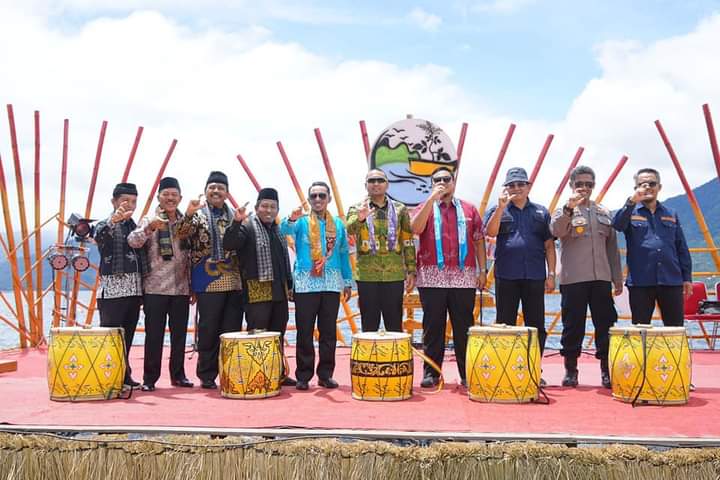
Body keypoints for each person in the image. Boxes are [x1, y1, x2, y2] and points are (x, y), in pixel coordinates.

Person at [410, 167, 486, 388]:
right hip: (432, 276)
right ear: (432, 184)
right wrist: (432, 199)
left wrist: (482, 271)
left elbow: (479, 240)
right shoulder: (423, 207)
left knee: (464, 326)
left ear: (454, 182)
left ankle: (467, 373)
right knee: (433, 326)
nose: (443, 183)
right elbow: (416, 228)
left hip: (463, 276)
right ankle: (431, 373)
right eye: (437, 180)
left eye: (446, 179)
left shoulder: (469, 209)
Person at [550, 166, 623, 388]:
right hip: (574, 278)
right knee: (573, 325)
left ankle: (606, 370)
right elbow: (556, 231)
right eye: (580, 183)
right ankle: (571, 370)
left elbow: (612, 248)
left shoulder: (603, 213)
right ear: (572, 185)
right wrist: (569, 209)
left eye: (589, 184)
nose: (584, 188)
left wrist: (617, 278)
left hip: (601, 277)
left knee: (606, 324)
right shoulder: (563, 210)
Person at [484, 167, 555, 382]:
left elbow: (549, 245)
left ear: (528, 186)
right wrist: (500, 208)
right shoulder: (498, 209)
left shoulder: (541, 212)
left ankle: (534, 368)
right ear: (506, 188)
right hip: (506, 275)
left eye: (520, 184)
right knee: (504, 323)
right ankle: (506, 368)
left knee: (536, 325)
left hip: (534, 275)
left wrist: (551, 273)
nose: (516, 188)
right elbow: (490, 232)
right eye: (512, 185)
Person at [280, 181, 352, 391]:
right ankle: (303, 375)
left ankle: (325, 374)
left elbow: (343, 253)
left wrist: (347, 281)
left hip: (331, 283)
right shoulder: (301, 222)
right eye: (314, 196)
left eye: (322, 195)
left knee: (328, 332)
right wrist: (292, 217)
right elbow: (284, 228)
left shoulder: (338, 224)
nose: (318, 199)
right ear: (309, 200)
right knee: (304, 331)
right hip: (305, 284)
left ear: (329, 198)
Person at [176, 171, 244, 389]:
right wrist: (187, 214)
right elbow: (180, 235)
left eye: (221, 188)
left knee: (231, 330)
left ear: (227, 193)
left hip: (234, 280)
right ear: (206, 191)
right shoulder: (197, 215)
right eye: (212, 187)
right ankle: (206, 374)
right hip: (207, 280)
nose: (216, 191)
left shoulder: (236, 215)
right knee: (208, 329)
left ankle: (229, 371)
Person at [223, 187, 296, 386]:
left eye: (273, 207)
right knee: (258, 334)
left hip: (279, 290)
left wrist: (289, 285)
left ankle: (277, 372)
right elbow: (229, 243)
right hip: (256, 290)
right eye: (264, 206)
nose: (268, 210)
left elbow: (283, 261)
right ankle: (258, 374)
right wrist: (236, 222)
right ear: (257, 207)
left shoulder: (278, 230)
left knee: (277, 333)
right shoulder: (247, 226)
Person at [127, 177, 193, 391]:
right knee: (154, 335)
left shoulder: (187, 222)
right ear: (159, 197)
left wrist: (193, 286)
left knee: (180, 335)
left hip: (181, 287)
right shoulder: (149, 218)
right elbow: (133, 241)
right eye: (166, 194)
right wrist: (149, 228)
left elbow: (192, 254)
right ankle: (150, 378)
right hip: (155, 287)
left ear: (180, 198)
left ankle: (178, 375)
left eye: (175, 195)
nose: (171, 198)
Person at [612, 167, 692, 326]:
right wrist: (630, 202)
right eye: (642, 184)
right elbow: (617, 225)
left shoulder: (671, 213)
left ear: (659, 187)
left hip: (671, 280)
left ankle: (674, 353)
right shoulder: (630, 212)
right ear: (636, 188)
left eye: (652, 183)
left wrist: (687, 277)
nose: (647, 187)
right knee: (641, 329)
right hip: (641, 281)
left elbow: (681, 246)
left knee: (675, 329)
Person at [346, 169, 416, 332]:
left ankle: (397, 358)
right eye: (371, 181)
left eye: (380, 180)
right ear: (366, 185)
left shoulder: (400, 209)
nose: (376, 184)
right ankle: (367, 358)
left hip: (394, 274)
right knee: (369, 324)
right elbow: (349, 229)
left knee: (394, 324)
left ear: (387, 184)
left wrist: (411, 270)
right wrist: (360, 217)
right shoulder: (356, 208)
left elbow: (407, 240)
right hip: (367, 275)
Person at [93, 182, 148, 388]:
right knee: (110, 338)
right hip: (112, 292)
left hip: (134, 290)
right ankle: (107, 377)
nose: (130, 205)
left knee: (127, 338)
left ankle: (124, 375)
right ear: (114, 202)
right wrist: (113, 221)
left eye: (133, 201)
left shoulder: (134, 226)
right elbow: (99, 238)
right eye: (125, 201)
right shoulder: (103, 224)